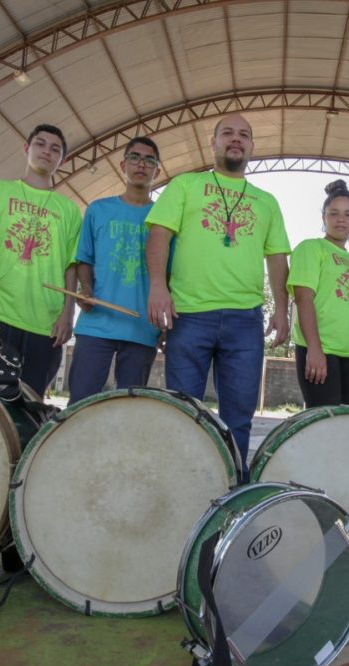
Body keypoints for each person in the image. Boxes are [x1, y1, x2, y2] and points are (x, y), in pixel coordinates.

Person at [145, 114, 291, 475]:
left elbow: (276, 258)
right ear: (212, 143)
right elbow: (159, 236)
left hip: (245, 320)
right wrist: (158, 287)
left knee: (238, 417)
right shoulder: (185, 185)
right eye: (227, 133)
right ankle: (184, 483)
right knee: (185, 412)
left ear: (253, 147)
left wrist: (282, 311)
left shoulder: (266, 201)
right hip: (190, 315)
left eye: (244, 135)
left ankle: (233, 488)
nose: (236, 139)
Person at [0, 124, 82, 397]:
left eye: (55, 149)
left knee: (30, 403)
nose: (47, 151)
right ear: (26, 149)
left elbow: (71, 266)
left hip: (45, 324)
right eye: (40, 144)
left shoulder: (69, 210)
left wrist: (67, 314)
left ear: (62, 160)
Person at [67, 137, 162, 404]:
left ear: (159, 169)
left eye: (149, 160)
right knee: (80, 405)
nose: (141, 164)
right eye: (134, 157)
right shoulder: (98, 209)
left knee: (128, 412)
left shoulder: (164, 217)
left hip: (142, 328)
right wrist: (85, 289)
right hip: (96, 325)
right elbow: (84, 258)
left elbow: (170, 274)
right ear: (122, 165)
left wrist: (166, 323)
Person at [288, 180, 349, 407]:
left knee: (345, 422)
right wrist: (314, 349)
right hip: (323, 349)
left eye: (348, 214)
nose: (341, 219)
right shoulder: (311, 248)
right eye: (333, 213)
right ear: (323, 217)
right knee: (323, 422)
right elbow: (303, 299)